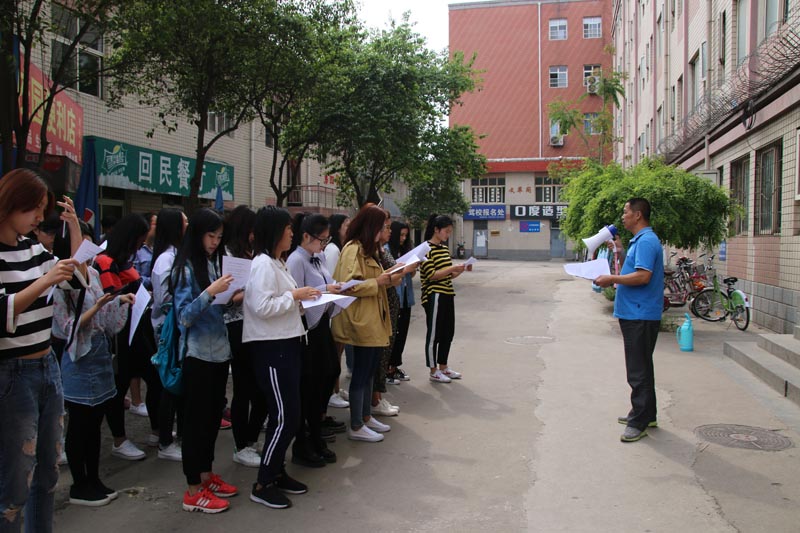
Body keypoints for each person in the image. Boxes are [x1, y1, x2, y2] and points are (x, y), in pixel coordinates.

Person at [0, 168, 82, 533]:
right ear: (9, 204)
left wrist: (75, 228)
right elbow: (4, 310)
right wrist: (45, 280)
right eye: (32, 208)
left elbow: (76, 279)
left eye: (42, 209)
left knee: (48, 472)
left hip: (47, 365)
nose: (38, 217)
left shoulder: (33, 248)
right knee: (15, 480)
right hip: (11, 373)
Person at [52, 223, 134, 507]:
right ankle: (80, 484)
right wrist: (97, 308)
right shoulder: (62, 279)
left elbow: (104, 313)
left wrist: (119, 300)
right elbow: (65, 328)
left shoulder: (95, 273)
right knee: (80, 423)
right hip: (79, 356)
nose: (87, 250)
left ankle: (94, 479)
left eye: (88, 243)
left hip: (99, 352)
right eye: (80, 243)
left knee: (95, 422)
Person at [243, 206, 320, 509]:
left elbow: (282, 303)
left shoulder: (278, 263)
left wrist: (303, 299)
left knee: (290, 415)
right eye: (288, 229)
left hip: (288, 344)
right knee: (284, 418)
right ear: (275, 231)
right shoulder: (262, 264)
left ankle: (276, 472)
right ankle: (263, 483)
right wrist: (295, 297)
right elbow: (262, 307)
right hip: (272, 349)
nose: (292, 233)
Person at [171, 208, 237, 513]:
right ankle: (193, 490)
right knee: (195, 424)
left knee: (211, 420)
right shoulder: (184, 269)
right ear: (197, 234)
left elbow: (216, 309)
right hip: (197, 355)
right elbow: (184, 317)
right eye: (211, 236)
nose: (214, 242)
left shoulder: (212, 263)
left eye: (219, 237)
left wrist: (230, 297)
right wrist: (211, 292)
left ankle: (207, 476)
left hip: (219, 352)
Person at [593, 198, 664, 443]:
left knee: (638, 371)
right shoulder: (640, 241)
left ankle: (639, 423)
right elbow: (632, 270)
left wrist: (611, 279)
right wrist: (620, 250)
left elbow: (643, 277)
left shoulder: (646, 241)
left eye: (626, 212)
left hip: (639, 314)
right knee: (642, 366)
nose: (623, 216)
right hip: (636, 313)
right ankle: (647, 414)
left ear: (638, 215)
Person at [331, 205, 402, 443]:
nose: (383, 231)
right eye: (381, 227)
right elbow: (347, 286)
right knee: (361, 373)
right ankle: (356, 424)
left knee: (369, 370)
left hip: (373, 319)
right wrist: (378, 282)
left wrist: (391, 278)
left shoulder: (368, 250)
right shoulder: (353, 249)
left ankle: (366, 417)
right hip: (361, 321)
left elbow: (374, 280)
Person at [93, 213, 161, 460]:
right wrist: (131, 295)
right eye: (139, 240)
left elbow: (137, 283)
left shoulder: (124, 260)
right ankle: (119, 440)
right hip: (120, 335)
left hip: (138, 329)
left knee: (154, 379)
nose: (140, 245)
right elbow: (110, 296)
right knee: (119, 386)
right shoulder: (104, 260)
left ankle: (157, 431)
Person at [286, 213, 343, 468]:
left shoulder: (318, 257)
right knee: (309, 385)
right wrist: (324, 291)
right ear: (306, 236)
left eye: (327, 239)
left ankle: (316, 432)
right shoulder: (296, 260)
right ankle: (305, 442)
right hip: (307, 329)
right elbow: (296, 296)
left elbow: (327, 283)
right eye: (321, 239)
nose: (324, 245)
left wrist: (338, 288)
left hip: (322, 324)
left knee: (331, 372)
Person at [223, 205, 267, 468]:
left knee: (260, 388)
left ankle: (251, 438)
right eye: (251, 230)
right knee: (243, 388)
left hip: (256, 323)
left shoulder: (255, 254)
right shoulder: (228, 255)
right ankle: (241, 445)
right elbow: (226, 299)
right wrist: (250, 291)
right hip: (236, 325)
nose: (254, 235)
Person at [150, 208, 188, 462]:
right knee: (170, 385)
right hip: (169, 328)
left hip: (179, 327)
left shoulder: (177, 255)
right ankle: (165, 440)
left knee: (179, 383)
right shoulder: (166, 260)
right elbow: (164, 298)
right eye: (184, 222)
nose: (188, 226)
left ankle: (178, 434)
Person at [420, 214, 471, 383]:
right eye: (446, 231)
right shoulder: (425, 249)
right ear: (436, 230)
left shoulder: (444, 249)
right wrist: (451, 269)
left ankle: (444, 366)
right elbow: (432, 275)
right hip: (434, 295)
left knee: (448, 332)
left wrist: (460, 270)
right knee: (434, 334)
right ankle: (433, 370)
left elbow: (448, 275)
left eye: (450, 232)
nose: (448, 235)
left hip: (448, 293)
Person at [129, 211, 157, 418]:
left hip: (150, 306)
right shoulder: (136, 251)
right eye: (155, 224)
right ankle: (136, 400)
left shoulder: (155, 249)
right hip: (137, 304)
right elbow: (134, 277)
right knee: (136, 359)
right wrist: (152, 281)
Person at [387, 220, 415, 382]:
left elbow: (410, 275)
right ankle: (387, 369)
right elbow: (388, 275)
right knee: (393, 335)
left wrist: (413, 267)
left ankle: (394, 366)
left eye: (406, 235)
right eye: (401, 235)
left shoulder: (404, 250)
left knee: (402, 333)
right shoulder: (386, 250)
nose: (403, 238)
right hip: (393, 297)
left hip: (405, 297)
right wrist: (405, 269)